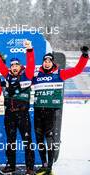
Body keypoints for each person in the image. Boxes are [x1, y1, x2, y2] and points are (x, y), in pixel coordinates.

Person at [33, 46, 89, 175]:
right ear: (42, 63)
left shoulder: (59, 73)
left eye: (49, 61)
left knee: (50, 140)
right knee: (39, 139)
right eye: (45, 61)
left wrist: (84, 56)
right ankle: (44, 165)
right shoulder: (36, 75)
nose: (47, 63)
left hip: (50, 111)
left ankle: (50, 168)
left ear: (52, 63)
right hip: (38, 111)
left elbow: (77, 70)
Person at [0, 40, 35, 174]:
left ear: (20, 66)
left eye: (16, 65)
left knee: (27, 140)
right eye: (12, 65)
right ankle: (11, 165)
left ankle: (30, 167)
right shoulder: (7, 75)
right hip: (9, 113)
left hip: (22, 114)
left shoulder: (27, 75)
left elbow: (31, 63)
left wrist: (29, 49)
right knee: (10, 140)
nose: (14, 67)